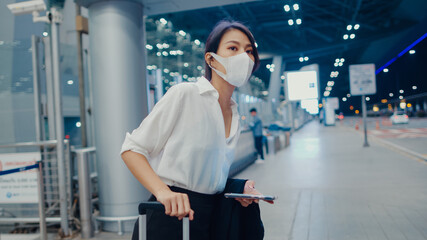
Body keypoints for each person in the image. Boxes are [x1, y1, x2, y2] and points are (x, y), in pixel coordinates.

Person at [121, 20, 272, 240]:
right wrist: (163, 192)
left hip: (209, 218)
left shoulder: (235, 113)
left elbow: (210, 178)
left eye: (249, 51)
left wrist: (239, 189)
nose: (244, 57)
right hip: (170, 217)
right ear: (211, 58)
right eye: (233, 48)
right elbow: (132, 149)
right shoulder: (185, 94)